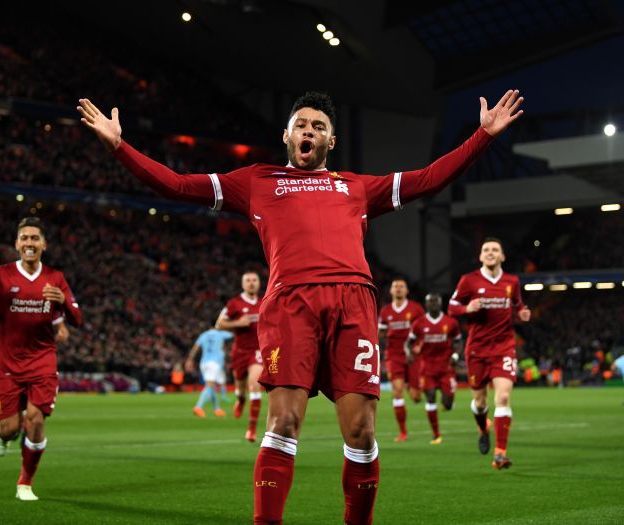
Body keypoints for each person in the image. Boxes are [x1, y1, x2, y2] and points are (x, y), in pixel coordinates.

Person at [79, 88, 523, 524]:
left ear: (331, 141)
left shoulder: (356, 187)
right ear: (287, 136)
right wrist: (120, 147)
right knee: (284, 423)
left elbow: (429, 178)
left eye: (319, 126)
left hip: (354, 303)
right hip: (290, 303)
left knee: (362, 432)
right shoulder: (255, 181)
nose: (309, 131)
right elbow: (177, 184)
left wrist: (481, 137)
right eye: (301, 125)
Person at [0, 216, 82, 501]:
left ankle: (24, 483)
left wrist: (64, 303)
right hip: (8, 366)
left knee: (36, 420)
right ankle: (1, 431)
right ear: (17, 244)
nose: (30, 243)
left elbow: (77, 319)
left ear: (44, 244)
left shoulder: (56, 278)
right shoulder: (1, 276)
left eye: (35, 238)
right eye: (24, 238)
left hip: (43, 361)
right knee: (11, 428)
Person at [448, 237, 530, 470]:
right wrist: (467, 308)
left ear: (502, 256)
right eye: (486, 250)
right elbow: (452, 307)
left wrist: (522, 312)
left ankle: (500, 454)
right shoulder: (469, 280)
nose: (491, 253)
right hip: (476, 349)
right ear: (481, 256)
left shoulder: (512, 281)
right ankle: (484, 429)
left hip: (504, 347)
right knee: (479, 402)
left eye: (495, 249)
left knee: (502, 398)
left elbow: (518, 304)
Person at [405, 293, 462, 444]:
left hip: (446, 368)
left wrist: (456, 356)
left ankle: (448, 402)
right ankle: (436, 434)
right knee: (430, 397)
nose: (433, 304)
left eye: (435, 302)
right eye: (430, 302)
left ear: (440, 303)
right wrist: (409, 353)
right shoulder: (419, 323)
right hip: (427, 368)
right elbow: (408, 343)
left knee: (448, 404)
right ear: (426, 304)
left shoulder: (451, 323)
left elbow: (458, 341)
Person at [216, 271, 264, 441]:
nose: (251, 283)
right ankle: (241, 400)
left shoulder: (265, 302)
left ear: (258, 283)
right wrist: (238, 323)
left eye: (254, 280)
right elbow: (219, 324)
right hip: (240, 352)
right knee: (240, 388)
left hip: (257, 352)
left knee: (255, 386)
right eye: (248, 280)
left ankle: (251, 430)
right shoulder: (234, 304)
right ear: (243, 284)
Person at [377, 279, 425, 442]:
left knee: (416, 397)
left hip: (413, 355)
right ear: (390, 291)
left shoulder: (416, 309)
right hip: (394, 355)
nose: (398, 289)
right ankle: (403, 432)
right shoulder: (385, 311)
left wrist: (419, 346)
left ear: (407, 291)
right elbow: (381, 333)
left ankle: (415, 387)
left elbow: (424, 330)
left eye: (401, 286)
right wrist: (377, 333)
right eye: (395, 287)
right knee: (397, 391)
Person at [185, 325, 235, 418]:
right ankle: (198, 407)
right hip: (214, 363)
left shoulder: (203, 335)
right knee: (210, 386)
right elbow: (232, 334)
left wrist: (190, 359)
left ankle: (217, 409)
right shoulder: (220, 334)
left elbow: (196, 347)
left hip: (204, 363)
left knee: (211, 387)